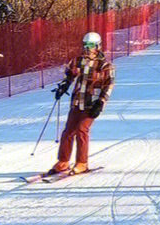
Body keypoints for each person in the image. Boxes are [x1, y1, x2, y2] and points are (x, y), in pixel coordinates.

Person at [46, 31, 115, 175]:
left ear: (98, 46)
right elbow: (70, 76)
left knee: (82, 130)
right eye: (85, 45)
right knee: (68, 131)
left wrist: (101, 102)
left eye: (91, 45)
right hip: (77, 101)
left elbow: (108, 85)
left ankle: (82, 163)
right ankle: (63, 161)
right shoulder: (77, 61)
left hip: (92, 103)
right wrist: (63, 86)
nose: (87, 48)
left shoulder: (105, 66)